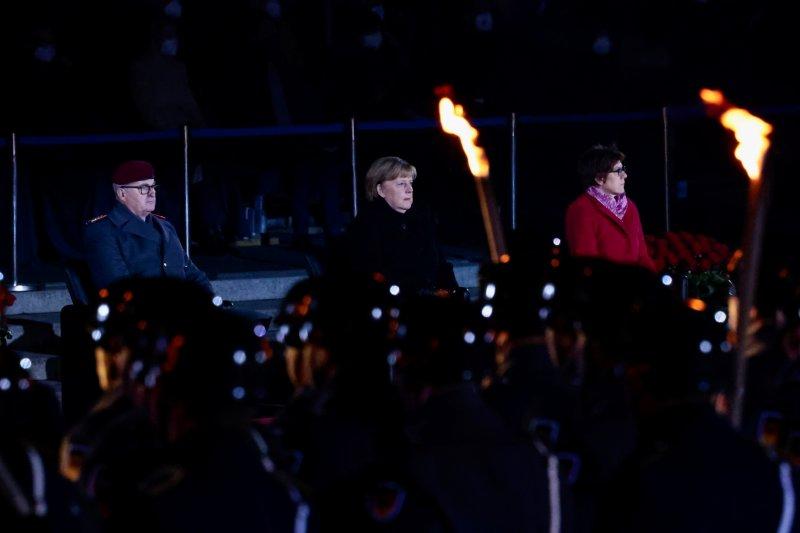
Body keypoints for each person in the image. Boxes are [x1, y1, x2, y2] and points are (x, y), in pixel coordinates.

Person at [84, 160, 212, 293]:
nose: (152, 193)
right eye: (143, 188)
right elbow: (118, 288)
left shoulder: (165, 226)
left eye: (153, 186)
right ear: (122, 194)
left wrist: (211, 302)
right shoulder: (103, 231)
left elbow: (193, 274)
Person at [345, 156, 457, 294]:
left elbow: (442, 265)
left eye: (410, 183)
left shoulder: (421, 219)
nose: (409, 189)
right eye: (401, 184)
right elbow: (372, 277)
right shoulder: (366, 226)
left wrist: (451, 291)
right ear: (380, 190)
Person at [564, 144, 655, 271]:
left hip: (636, 286)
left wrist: (654, 283)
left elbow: (642, 256)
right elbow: (586, 262)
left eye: (623, 169)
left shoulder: (630, 207)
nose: (625, 175)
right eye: (618, 171)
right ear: (600, 178)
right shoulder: (581, 209)